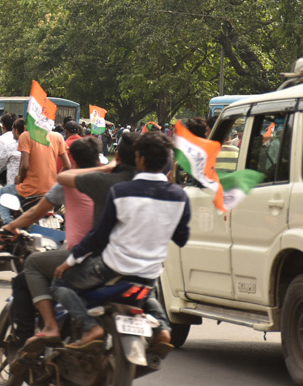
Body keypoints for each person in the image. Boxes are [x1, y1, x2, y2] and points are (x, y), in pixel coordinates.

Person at [30, 132, 191, 351]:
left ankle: (89, 328)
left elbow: (99, 235)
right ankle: (162, 328)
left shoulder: (121, 191)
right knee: (147, 296)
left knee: (60, 283)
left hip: (112, 268)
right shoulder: (179, 196)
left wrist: (69, 262)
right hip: (150, 274)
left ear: (140, 159)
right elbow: (181, 238)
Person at [2, 134, 141, 349]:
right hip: (127, 259)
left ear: (73, 159)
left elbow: (33, 214)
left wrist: (10, 226)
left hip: (86, 254)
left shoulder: (79, 181)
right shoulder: (132, 182)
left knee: (32, 267)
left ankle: (50, 327)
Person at [0, 125, 70, 226]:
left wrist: (20, 179)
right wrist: (55, 180)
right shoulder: (58, 137)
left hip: (30, 189)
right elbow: (67, 165)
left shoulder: (26, 136)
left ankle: (8, 226)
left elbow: (25, 166)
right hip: (52, 189)